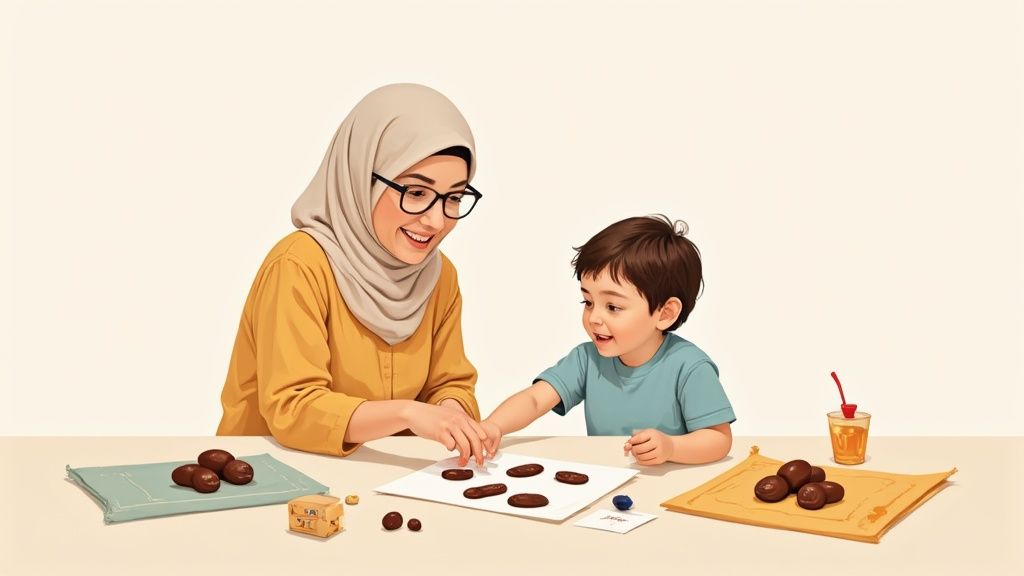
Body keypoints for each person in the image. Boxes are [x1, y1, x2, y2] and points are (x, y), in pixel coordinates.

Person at [217, 84, 490, 466]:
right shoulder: (299, 266)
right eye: (415, 192)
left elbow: (450, 383)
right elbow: (293, 408)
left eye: (454, 197)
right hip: (268, 475)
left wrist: (451, 411)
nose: (436, 220)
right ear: (361, 178)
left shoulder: (439, 276)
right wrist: (409, 413)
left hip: (382, 477)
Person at [481, 215, 736, 465]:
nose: (594, 318)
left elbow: (718, 439)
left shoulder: (689, 366)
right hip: (607, 481)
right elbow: (535, 400)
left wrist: (671, 447)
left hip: (670, 485)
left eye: (613, 306)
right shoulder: (586, 359)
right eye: (588, 302)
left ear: (665, 313)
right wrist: (493, 426)